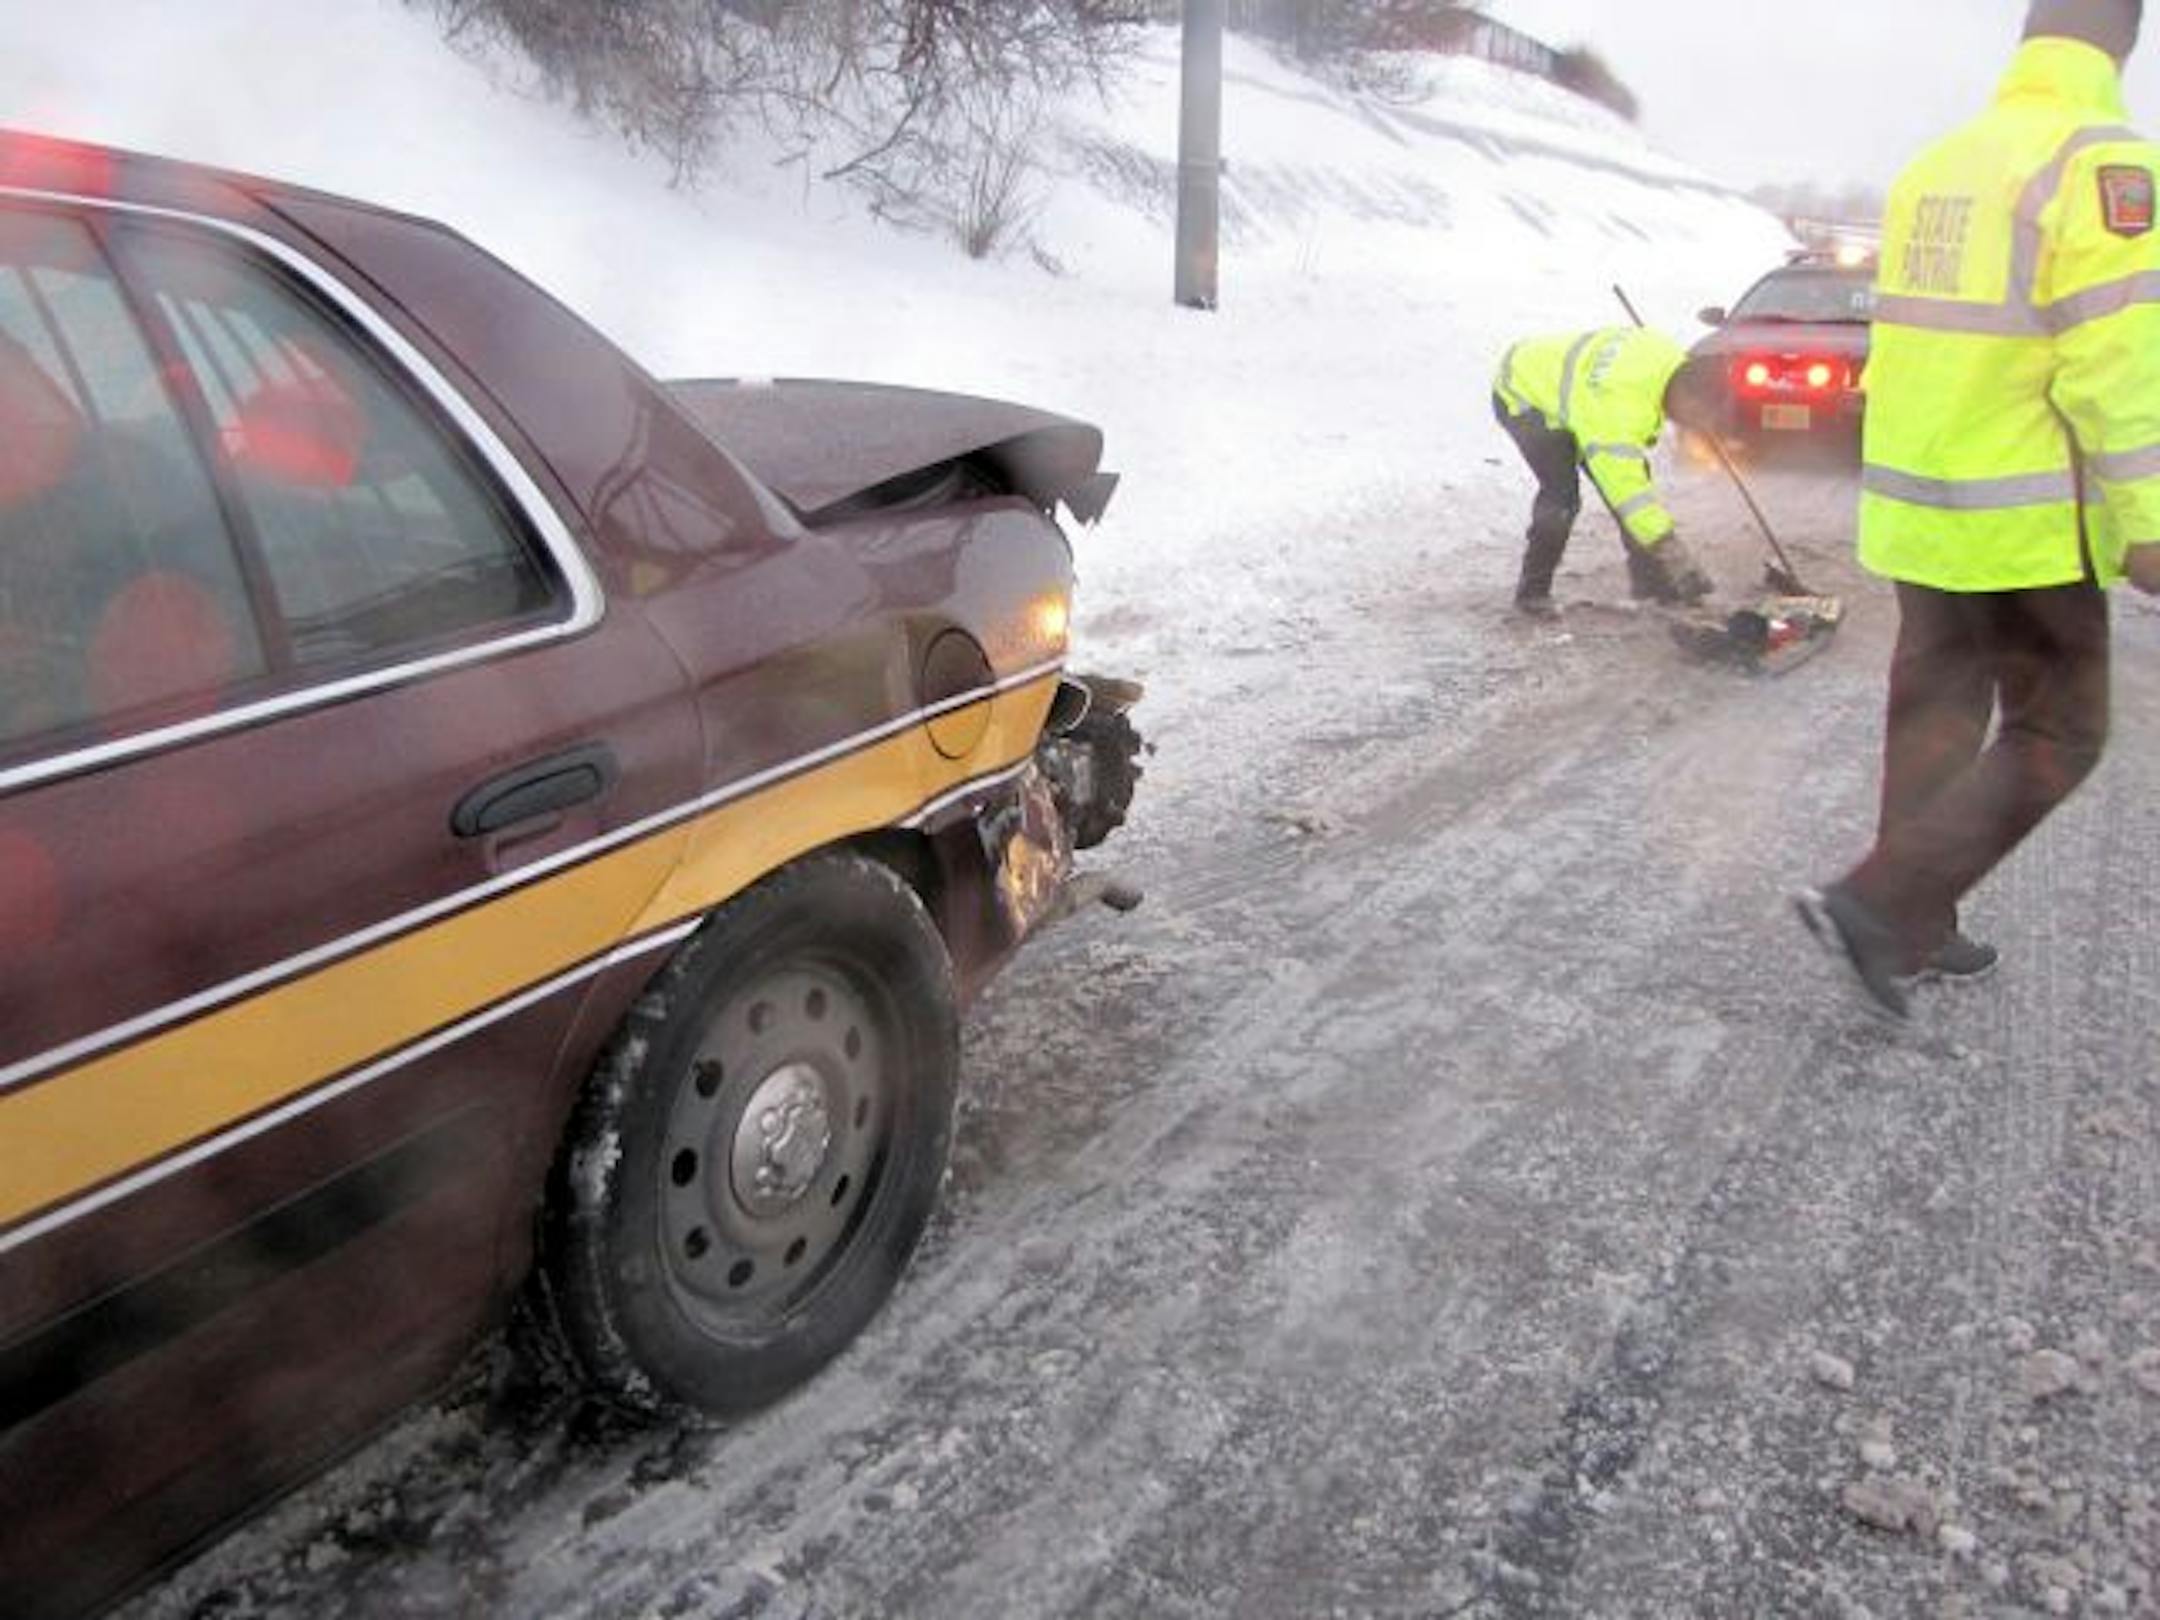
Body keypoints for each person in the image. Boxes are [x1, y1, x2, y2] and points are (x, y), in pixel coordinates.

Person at [1797, 0, 2160, 1020]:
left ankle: (1913, 926)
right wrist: (2150, 518)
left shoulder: (1939, 166)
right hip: (2026, 517)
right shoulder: (2103, 167)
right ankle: (1877, 904)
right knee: (2062, 731)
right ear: (2124, 42)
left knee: (1938, 719)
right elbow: (2119, 368)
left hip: (1925, 510)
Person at [1491, 326, 1715, 617]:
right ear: (1683, 396)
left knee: (1631, 480)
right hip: (1524, 392)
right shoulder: (1619, 412)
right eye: (1690, 416)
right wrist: (1670, 550)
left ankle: (1650, 585)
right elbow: (1629, 494)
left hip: (1573, 389)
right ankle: (1532, 593)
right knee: (1562, 495)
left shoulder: (1670, 358)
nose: (1686, 424)